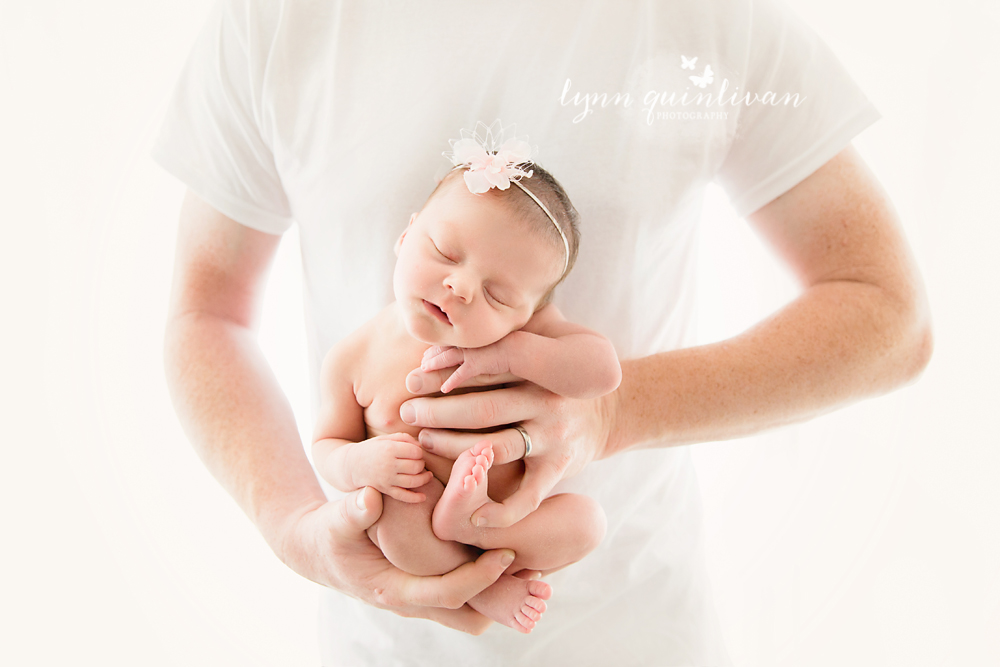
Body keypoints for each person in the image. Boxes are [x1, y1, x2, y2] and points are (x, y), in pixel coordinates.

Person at [155, 0, 932, 664]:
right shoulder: (278, 18)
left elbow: (888, 315)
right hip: (377, 643)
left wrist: (611, 415)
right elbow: (205, 312)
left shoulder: (705, 16)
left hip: (633, 632)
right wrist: (295, 526)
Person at [312, 128, 618, 633]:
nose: (461, 286)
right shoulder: (353, 355)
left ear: (528, 313)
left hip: (506, 520)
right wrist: (359, 460)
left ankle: (470, 529)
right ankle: (482, 587)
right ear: (407, 234)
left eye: (498, 296)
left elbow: (603, 372)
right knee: (388, 512)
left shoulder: (523, 335)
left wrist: (518, 350)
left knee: (587, 523)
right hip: (415, 505)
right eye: (445, 253)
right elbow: (327, 445)